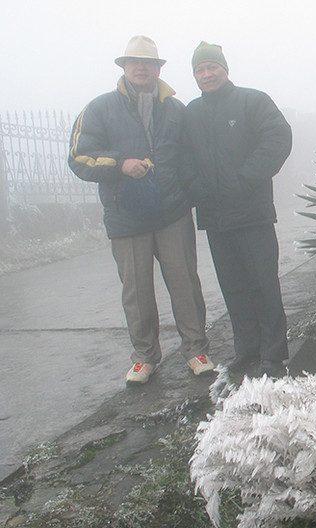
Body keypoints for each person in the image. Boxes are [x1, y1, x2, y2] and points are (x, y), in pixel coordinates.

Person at [69, 35, 215, 385]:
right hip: (126, 216)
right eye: (132, 61)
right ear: (123, 66)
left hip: (172, 211)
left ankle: (196, 350)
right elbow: (79, 157)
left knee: (185, 283)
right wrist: (119, 164)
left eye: (147, 62)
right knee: (136, 292)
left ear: (158, 68)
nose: (139, 67)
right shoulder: (100, 108)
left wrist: (189, 195)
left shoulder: (176, 110)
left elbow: (192, 158)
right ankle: (145, 357)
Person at [183, 41, 292, 378]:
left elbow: (278, 137)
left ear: (224, 69)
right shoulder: (191, 113)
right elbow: (183, 158)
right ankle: (247, 350)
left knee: (263, 283)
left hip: (253, 213)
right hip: (216, 218)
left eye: (211, 67)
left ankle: (274, 354)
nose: (206, 74)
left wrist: (246, 178)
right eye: (200, 70)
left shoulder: (252, 101)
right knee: (233, 287)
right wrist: (197, 190)